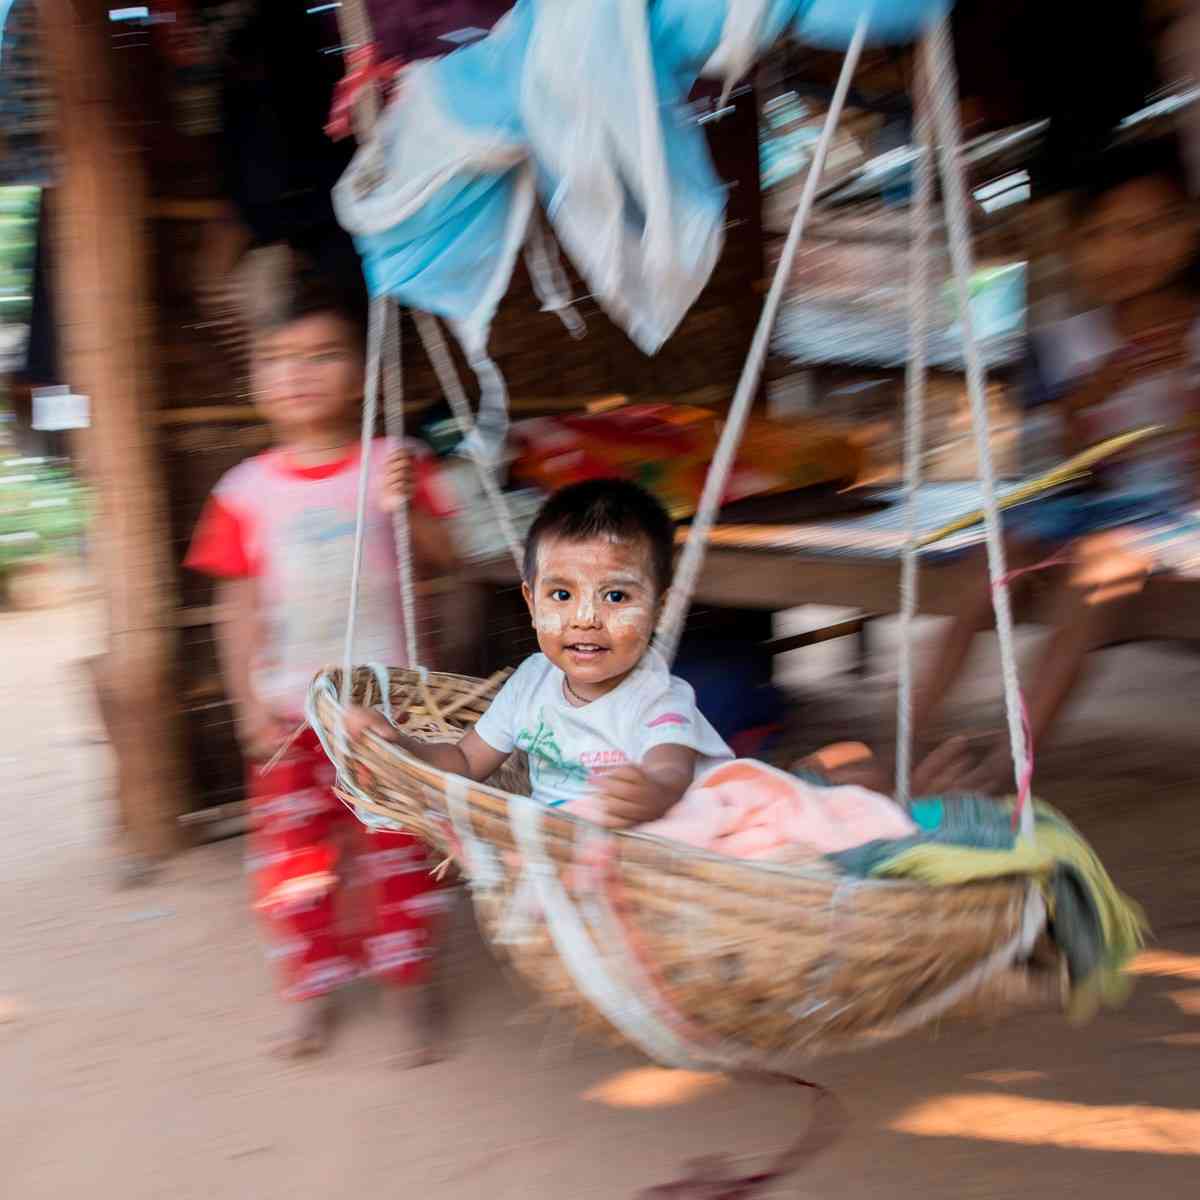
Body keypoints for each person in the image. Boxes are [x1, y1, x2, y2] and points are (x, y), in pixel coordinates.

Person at [186, 255, 457, 1061]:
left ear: (359, 372)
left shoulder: (395, 463)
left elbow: (444, 556)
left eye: (322, 356)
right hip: (288, 716)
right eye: (277, 360)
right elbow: (233, 604)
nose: (299, 375)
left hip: (387, 714)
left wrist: (412, 509)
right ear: (255, 379)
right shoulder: (245, 491)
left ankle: (410, 989)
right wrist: (242, 702)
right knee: (294, 862)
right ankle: (308, 993)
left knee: (398, 850)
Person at [349, 478, 978, 822]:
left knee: (800, 810)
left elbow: (670, 771)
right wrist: (399, 745)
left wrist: (652, 794)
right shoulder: (529, 684)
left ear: (661, 606)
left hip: (697, 808)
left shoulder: (655, 694)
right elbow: (463, 759)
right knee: (804, 785)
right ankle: (861, 778)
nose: (585, 618)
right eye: (562, 594)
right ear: (530, 599)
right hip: (589, 842)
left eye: (617, 596)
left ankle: (902, 795)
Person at [912, 137, 1200, 792]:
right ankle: (907, 737)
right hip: (1081, 502)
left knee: (1094, 577)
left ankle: (1013, 758)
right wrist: (1106, 383)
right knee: (991, 564)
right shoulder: (1072, 337)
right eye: (1103, 235)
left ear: (1187, 230)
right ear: (1077, 249)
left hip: (1167, 512)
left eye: (1148, 228)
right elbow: (1067, 462)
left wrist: (1183, 381)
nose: (1127, 250)